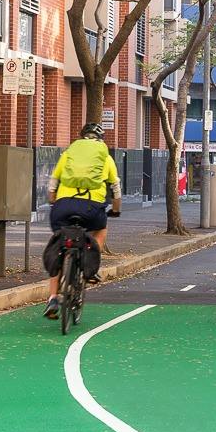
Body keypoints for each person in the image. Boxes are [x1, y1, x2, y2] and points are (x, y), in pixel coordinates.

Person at [44, 123, 121, 318]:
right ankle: (90, 266)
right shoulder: (105, 157)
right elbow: (115, 187)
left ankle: (53, 297)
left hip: (63, 207)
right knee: (101, 230)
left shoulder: (69, 154)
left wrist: (54, 201)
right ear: (100, 140)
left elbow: (53, 183)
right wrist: (116, 210)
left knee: (60, 245)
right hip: (91, 208)